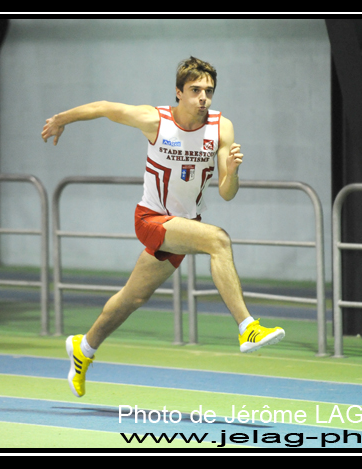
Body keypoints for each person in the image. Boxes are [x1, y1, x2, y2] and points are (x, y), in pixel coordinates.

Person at [42, 57, 285, 398]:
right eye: (195, 90)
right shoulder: (155, 120)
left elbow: (227, 193)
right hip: (151, 219)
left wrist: (232, 172)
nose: (203, 97)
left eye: (209, 91)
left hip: (183, 226)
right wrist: (61, 119)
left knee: (133, 297)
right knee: (218, 240)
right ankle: (248, 327)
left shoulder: (221, 128)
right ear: (179, 92)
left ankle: (84, 347)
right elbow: (104, 107)